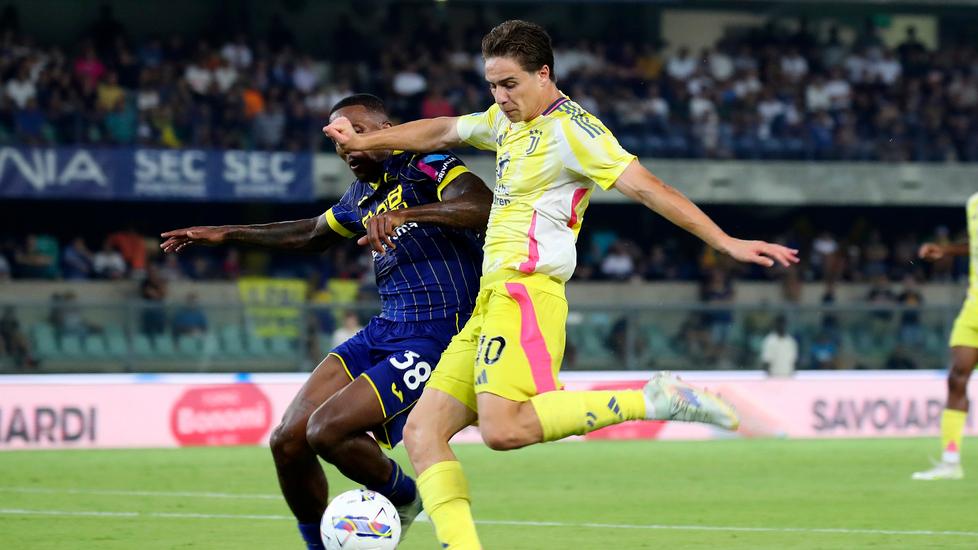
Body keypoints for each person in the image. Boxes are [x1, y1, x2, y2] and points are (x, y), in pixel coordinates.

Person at [325, 20, 799, 549]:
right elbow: (438, 131)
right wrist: (369, 139)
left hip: (528, 292)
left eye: (510, 84)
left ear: (543, 74)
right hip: (489, 299)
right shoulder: (505, 122)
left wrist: (725, 241)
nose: (499, 97)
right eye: (492, 85)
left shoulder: (575, 130)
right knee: (421, 432)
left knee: (503, 431)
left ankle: (655, 399)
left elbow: (650, 189)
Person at [161, 93, 492, 550]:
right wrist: (227, 234)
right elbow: (312, 234)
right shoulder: (359, 198)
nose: (347, 151)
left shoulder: (427, 163)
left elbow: (482, 204)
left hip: (438, 334)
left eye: (354, 136)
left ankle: (405, 499)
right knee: (288, 441)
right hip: (385, 328)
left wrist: (405, 215)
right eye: (339, 145)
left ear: (383, 128)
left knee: (327, 430)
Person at [912, 192, 978, 481]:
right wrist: (947, 251)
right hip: (973, 305)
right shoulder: (974, 202)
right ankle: (951, 462)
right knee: (956, 377)